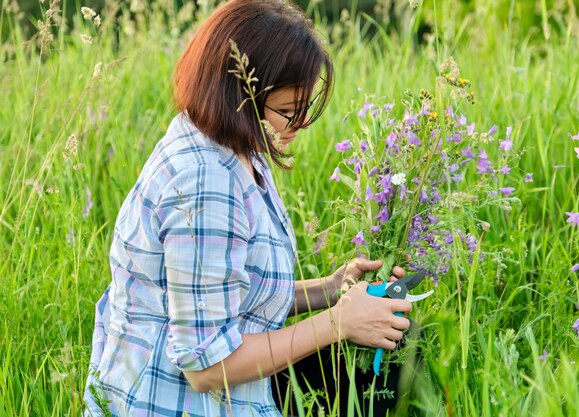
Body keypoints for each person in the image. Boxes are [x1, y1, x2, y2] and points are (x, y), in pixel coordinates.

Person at [83, 1, 413, 416]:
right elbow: (206, 367)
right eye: (288, 112)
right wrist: (338, 323)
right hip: (178, 402)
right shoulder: (205, 184)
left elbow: (228, 294)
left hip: (227, 392)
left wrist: (328, 291)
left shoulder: (237, 148)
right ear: (240, 95)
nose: (299, 126)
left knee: (394, 341)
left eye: (303, 111)